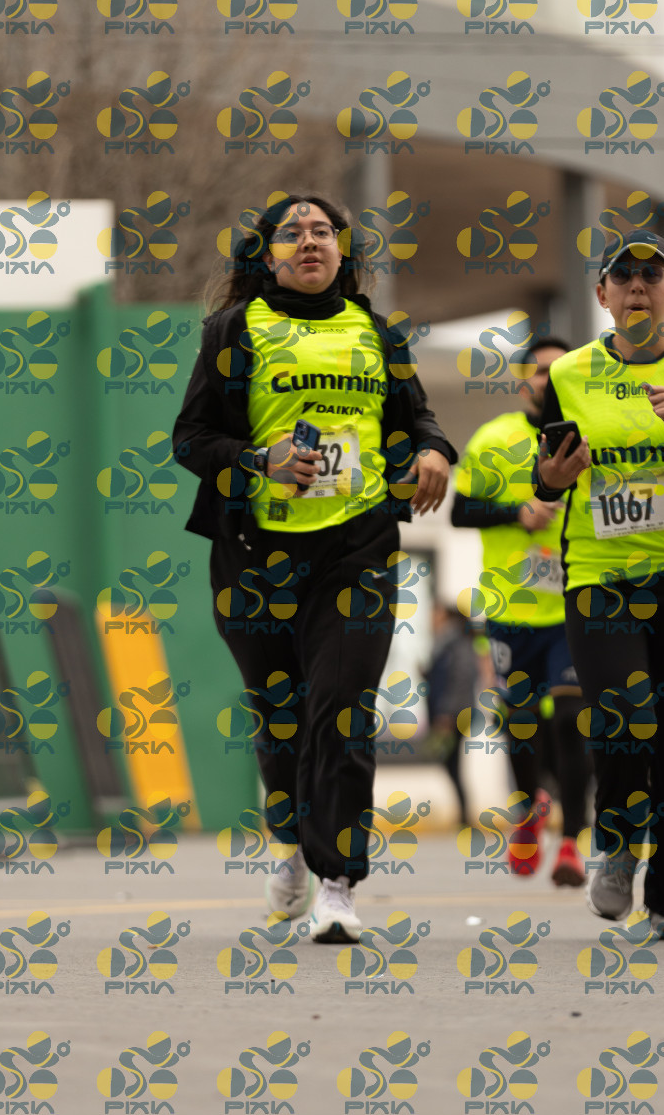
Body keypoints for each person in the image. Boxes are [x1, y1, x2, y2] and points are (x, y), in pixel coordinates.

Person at [173, 194, 456, 942]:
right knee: (283, 720)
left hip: (355, 548)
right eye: (292, 233)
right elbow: (191, 439)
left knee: (341, 706)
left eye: (323, 231)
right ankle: (294, 845)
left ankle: (337, 884)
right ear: (266, 255)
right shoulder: (234, 330)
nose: (309, 241)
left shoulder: (377, 333)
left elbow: (417, 418)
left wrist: (433, 451)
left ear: (342, 250)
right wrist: (257, 461)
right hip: (255, 554)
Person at [534, 228, 664, 940]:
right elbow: (546, 474)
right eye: (623, 275)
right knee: (621, 713)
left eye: (652, 275)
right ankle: (615, 843)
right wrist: (549, 479)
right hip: (601, 575)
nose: (638, 285)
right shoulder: (569, 374)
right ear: (602, 294)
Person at [451, 338, 590, 884]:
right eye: (539, 371)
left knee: (573, 723)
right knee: (523, 726)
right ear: (521, 380)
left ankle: (572, 843)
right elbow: (459, 510)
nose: (547, 380)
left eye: (559, 371)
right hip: (511, 608)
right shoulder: (494, 438)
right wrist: (517, 512)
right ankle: (529, 813)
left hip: (572, 606)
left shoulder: (590, 435)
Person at [422, 604, 479, 827]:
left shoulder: (456, 643)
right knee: (451, 764)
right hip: (450, 713)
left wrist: (447, 713)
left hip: (454, 715)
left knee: (453, 764)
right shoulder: (445, 642)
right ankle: (463, 814)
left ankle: (465, 815)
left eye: (435, 614)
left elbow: (461, 678)